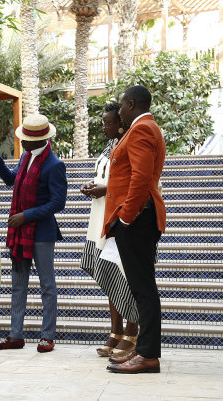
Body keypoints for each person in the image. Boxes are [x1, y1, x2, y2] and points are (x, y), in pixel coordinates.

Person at [0, 114, 67, 353]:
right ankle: (15, 335)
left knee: (47, 286)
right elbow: (11, 180)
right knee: (18, 285)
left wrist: (26, 216)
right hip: (20, 233)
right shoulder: (26, 157)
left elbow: (58, 203)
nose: (22, 141)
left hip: (41, 233)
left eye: (25, 139)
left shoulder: (54, 165)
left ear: (38, 140)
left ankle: (47, 337)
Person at [104, 86, 166, 374]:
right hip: (139, 216)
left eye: (121, 106)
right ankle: (143, 351)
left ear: (131, 104)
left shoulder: (141, 129)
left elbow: (140, 178)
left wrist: (126, 218)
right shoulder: (144, 127)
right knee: (142, 288)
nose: (119, 111)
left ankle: (148, 355)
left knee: (143, 289)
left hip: (138, 218)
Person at [79, 103, 139, 358]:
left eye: (109, 123)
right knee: (109, 276)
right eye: (103, 122)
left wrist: (105, 189)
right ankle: (115, 332)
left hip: (119, 218)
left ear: (121, 124)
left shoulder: (130, 145)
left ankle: (132, 332)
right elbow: (106, 177)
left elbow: (135, 182)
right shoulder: (110, 146)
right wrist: (93, 185)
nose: (104, 127)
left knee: (125, 275)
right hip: (100, 217)